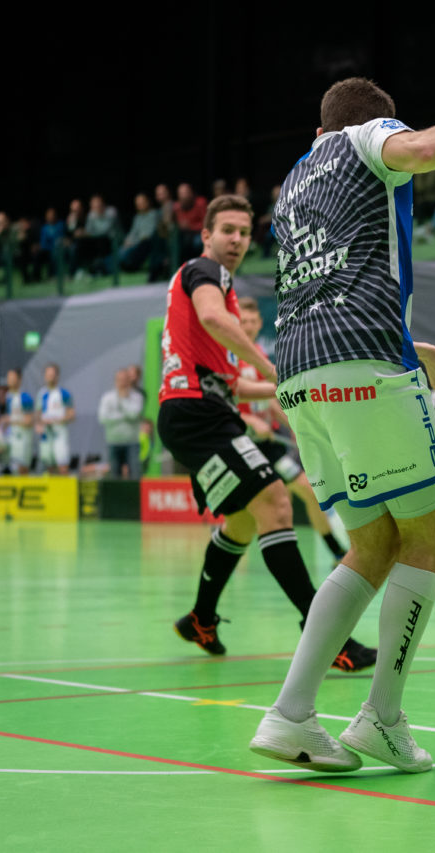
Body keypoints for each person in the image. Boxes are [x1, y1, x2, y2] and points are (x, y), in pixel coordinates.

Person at [249, 77, 435, 775]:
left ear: (317, 129)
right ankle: (382, 716)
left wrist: (420, 355)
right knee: (428, 530)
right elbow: (424, 151)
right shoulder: (367, 137)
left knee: (372, 544)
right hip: (363, 371)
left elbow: (333, 286)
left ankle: (290, 714)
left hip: (300, 375)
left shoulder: (293, 182)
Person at [156, 195, 376, 671]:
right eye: (227, 230)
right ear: (206, 235)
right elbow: (213, 318)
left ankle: (201, 618)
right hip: (197, 415)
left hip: (200, 412)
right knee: (277, 502)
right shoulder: (205, 272)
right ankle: (328, 638)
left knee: (243, 520)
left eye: (244, 232)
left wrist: (283, 385)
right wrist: (270, 365)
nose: (237, 240)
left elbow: (233, 385)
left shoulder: (213, 287)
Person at [235, 295, 352, 566]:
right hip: (240, 444)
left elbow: (269, 402)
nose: (248, 326)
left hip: (268, 446)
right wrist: (249, 421)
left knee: (308, 492)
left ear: (260, 323)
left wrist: (297, 428)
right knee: (247, 509)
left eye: (252, 321)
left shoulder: (258, 356)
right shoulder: (228, 356)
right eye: (243, 321)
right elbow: (220, 400)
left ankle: (337, 553)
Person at [97, 368, 145, 478]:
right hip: (113, 442)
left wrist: (123, 400)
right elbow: (103, 418)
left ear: (129, 381)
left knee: (135, 475)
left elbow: (134, 415)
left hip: (132, 442)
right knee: (115, 476)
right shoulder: (107, 397)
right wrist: (124, 416)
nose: (122, 383)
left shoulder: (137, 397)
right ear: (115, 381)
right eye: (120, 380)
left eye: (125, 380)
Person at [38, 364, 75, 475]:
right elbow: (38, 414)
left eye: (52, 375)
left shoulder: (64, 393)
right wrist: (40, 424)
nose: (50, 378)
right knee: (49, 465)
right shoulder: (41, 394)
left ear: (57, 376)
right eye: (48, 375)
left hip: (59, 433)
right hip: (46, 434)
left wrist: (57, 420)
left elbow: (71, 415)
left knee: (62, 465)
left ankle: (64, 485)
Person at [119, 193, 164, 280]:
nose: (140, 205)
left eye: (142, 202)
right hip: (134, 244)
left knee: (129, 252)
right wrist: (128, 240)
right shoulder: (137, 217)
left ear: (148, 202)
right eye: (138, 203)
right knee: (119, 252)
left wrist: (133, 242)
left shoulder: (155, 214)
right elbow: (133, 232)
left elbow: (149, 234)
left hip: (145, 244)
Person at [0, 368, 36, 474]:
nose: (9, 380)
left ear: (19, 380)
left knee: (22, 469)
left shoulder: (25, 398)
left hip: (23, 439)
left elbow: (29, 421)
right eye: (8, 377)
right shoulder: (8, 396)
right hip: (11, 438)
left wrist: (10, 420)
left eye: (12, 378)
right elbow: (9, 418)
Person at [172, 183, 208, 262]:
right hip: (185, 236)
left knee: (197, 242)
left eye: (186, 192)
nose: (183, 196)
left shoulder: (200, 203)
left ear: (191, 193)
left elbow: (207, 224)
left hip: (200, 233)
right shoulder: (177, 207)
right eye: (181, 193)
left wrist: (191, 226)